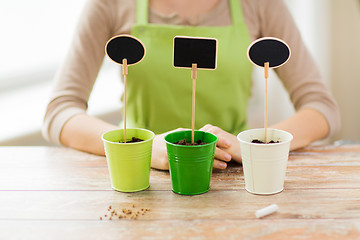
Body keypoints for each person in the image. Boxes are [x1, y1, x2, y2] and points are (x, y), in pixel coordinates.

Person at [42, 0, 340, 170]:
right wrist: (141, 149)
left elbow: (322, 109)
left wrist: (251, 146)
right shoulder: (110, 4)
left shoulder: (261, 4)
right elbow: (60, 112)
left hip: (230, 178)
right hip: (137, 177)